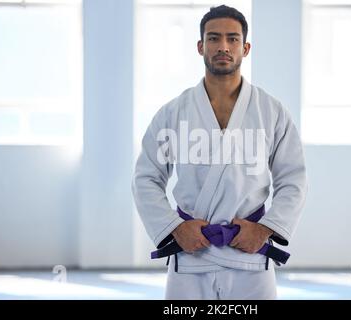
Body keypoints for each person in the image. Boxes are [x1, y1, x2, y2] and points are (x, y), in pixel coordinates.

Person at [132, 5, 307, 300]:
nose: (223, 47)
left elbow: (294, 179)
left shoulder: (271, 112)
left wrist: (264, 230)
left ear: (246, 47)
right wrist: (175, 228)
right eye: (213, 38)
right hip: (190, 254)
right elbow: (146, 178)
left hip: (250, 254)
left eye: (232, 39)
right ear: (200, 46)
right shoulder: (173, 113)